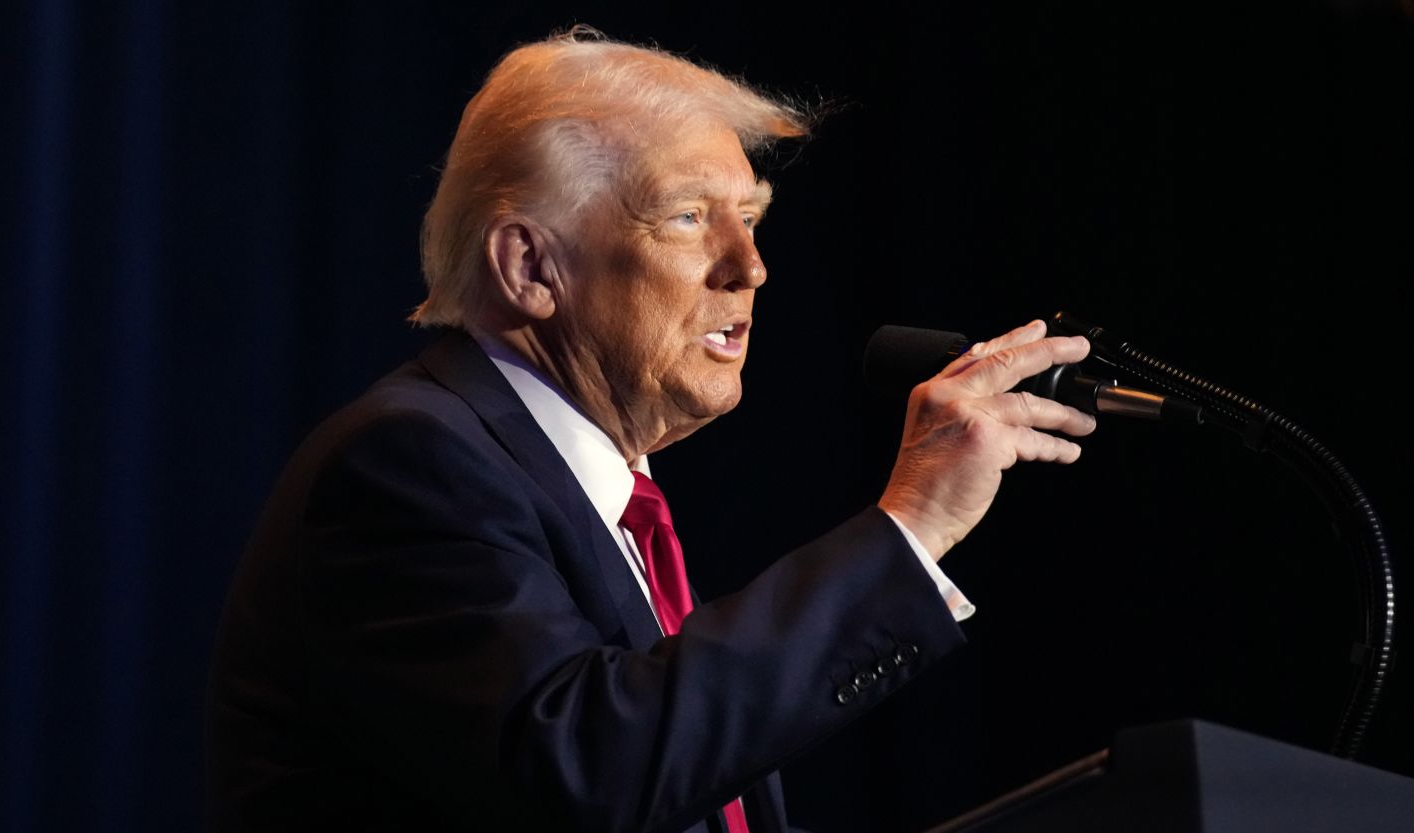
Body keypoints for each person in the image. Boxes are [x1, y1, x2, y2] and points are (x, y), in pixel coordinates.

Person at [205, 27, 1095, 833]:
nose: (750, 266)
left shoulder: (601, 501)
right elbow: (589, 768)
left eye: (748, 218)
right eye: (686, 216)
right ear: (529, 264)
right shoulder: (410, 462)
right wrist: (912, 524)